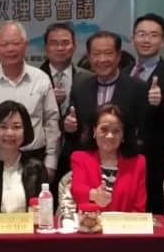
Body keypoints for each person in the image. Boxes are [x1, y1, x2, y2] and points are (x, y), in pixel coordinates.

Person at [0, 21, 61, 181]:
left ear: (25, 45)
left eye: (15, 43)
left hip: (33, 158)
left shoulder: (41, 79)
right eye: (4, 44)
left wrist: (51, 162)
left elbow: (52, 122)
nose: (10, 49)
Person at [63, 31, 148, 174]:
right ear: (89, 57)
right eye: (96, 54)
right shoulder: (80, 85)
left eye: (108, 53)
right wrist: (68, 126)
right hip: (87, 164)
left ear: (119, 56)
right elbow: (71, 125)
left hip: (124, 165)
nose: (102, 59)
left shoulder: (137, 88)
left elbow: (143, 134)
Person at [131, 13, 164, 214]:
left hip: (156, 159)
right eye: (141, 34)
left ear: (162, 41)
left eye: (153, 35)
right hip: (125, 157)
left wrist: (161, 103)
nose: (146, 40)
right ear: (133, 37)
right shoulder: (124, 71)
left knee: (155, 212)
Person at [70, 103, 147, 212]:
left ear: (123, 135)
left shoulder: (138, 162)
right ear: (94, 131)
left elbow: (139, 207)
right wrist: (94, 195)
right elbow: (77, 190)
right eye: (104, 129)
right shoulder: (80, 158)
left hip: (125, 227)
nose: (110, 135)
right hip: (91, 225)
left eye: (116, 131)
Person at [39, 22, 91, 117]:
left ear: (74, 46)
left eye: (65, 43)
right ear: (45, 48)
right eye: (54, 43)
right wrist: (48, 100)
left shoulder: (88, 78)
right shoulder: (35, 78)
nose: (60, 48)